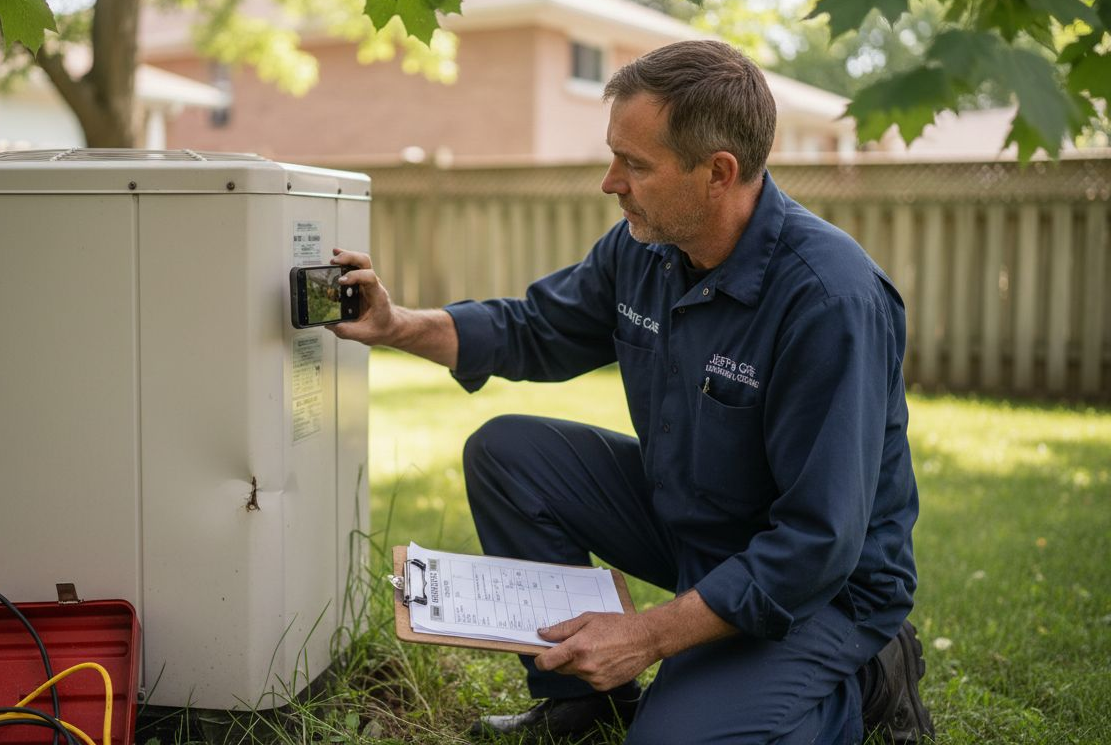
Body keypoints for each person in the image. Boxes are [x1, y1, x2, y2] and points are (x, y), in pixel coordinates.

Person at [330, 40, 933, 744]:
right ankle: (581, 704)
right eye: (615, 156)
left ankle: (868, 682)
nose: (611, 182)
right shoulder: (645, 249)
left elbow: (818, 544)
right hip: (695, 524)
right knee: (509, 453)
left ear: (718, 172)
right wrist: (395, 323)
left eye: (636, 164)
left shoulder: (830, 299)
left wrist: (646, 635)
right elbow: (531, 329)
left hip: (821, 588)